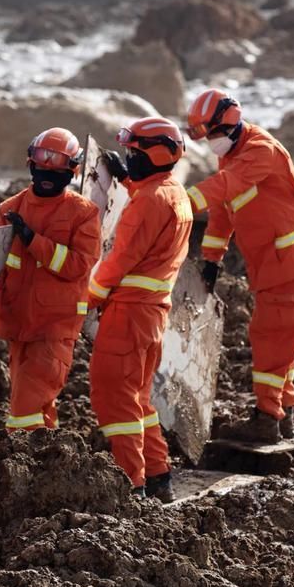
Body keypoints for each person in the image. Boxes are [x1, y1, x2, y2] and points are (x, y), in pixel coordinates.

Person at [185, 89, 294, 443]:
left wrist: (177, 204)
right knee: (282, 338)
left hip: (288, 263)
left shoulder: (261, 151)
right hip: (275, 263)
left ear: (228, 125)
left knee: (271, 337)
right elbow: (222, 211)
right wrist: (211, 259)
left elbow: (225, 186)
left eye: (212, 134)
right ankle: (282, 412)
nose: (210, 143)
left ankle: (266, 419)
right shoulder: (231, 154)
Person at [89, 117, 194, 502]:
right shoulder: (174, 193)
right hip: (151, 316)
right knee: (138, 397)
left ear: (156, 155)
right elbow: (154, 208)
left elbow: (120, 259)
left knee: (114, 398)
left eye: (134, 152)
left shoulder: (149, 201)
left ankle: (131, 485)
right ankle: (157, 474)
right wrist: (126, 179)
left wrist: (86, 299)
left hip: (128, 315)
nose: (129, 157)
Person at [0, 128, 101, 431]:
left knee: (24, 408)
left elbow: (78, 265)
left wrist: (32, 239)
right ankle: (47, 454)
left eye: (57, 169)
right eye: (43, 166)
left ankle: (19, 454)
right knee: (37, 405)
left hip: (54, 328)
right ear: (31, 164)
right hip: (17, 324)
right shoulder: (9, 210)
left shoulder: (83, 214)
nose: (48, 174)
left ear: (72, 171)